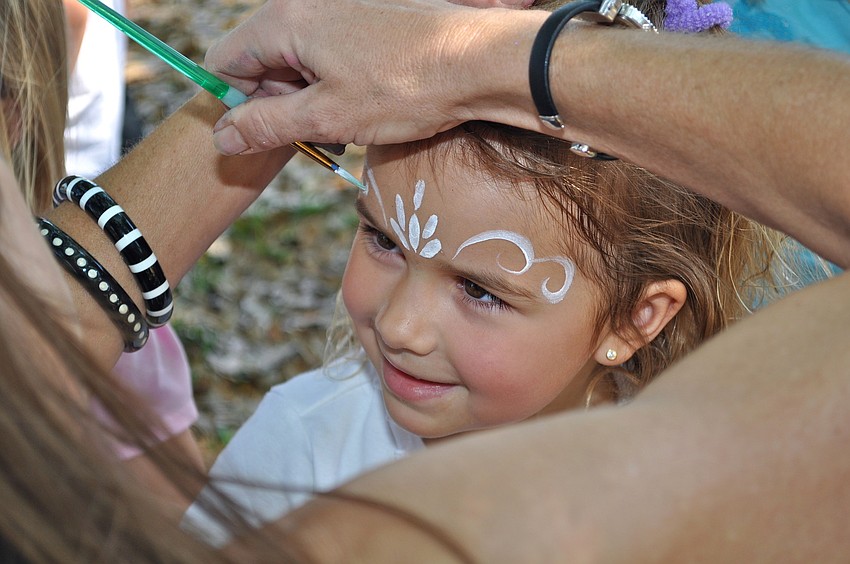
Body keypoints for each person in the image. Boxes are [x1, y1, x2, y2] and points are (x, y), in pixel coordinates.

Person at [196, 0, 850, 560]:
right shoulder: (301, 451)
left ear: (635, 318)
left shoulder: (720, 491)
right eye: (383, 240)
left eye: (480, 290)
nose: (399, 325)